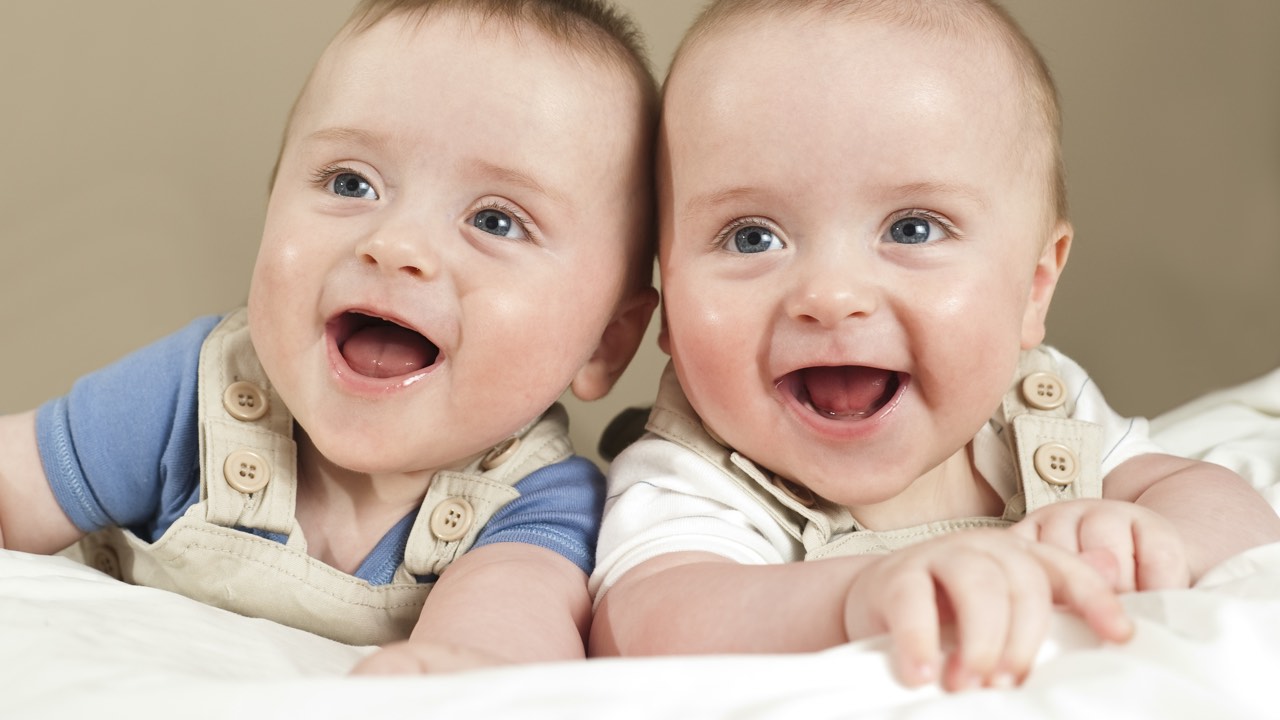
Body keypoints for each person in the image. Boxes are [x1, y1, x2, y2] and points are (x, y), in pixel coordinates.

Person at [588, 0, 1280, 692]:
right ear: (669, 308)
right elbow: (651, 619)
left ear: (1033, 289)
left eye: (913, 229)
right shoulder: (695, 472)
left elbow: (1212, 498)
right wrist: (859, 595)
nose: (830, 295)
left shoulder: (1038, 412)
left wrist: (1153, 540)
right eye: (751, 237)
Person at [0, 0, 659, 675]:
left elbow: (505, 633)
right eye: (352, 182)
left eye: (496, 222)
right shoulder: (197, 393)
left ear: (605, 342)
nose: (396, 244)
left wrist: (446, 678)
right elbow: (15, 484)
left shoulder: (539, 500)